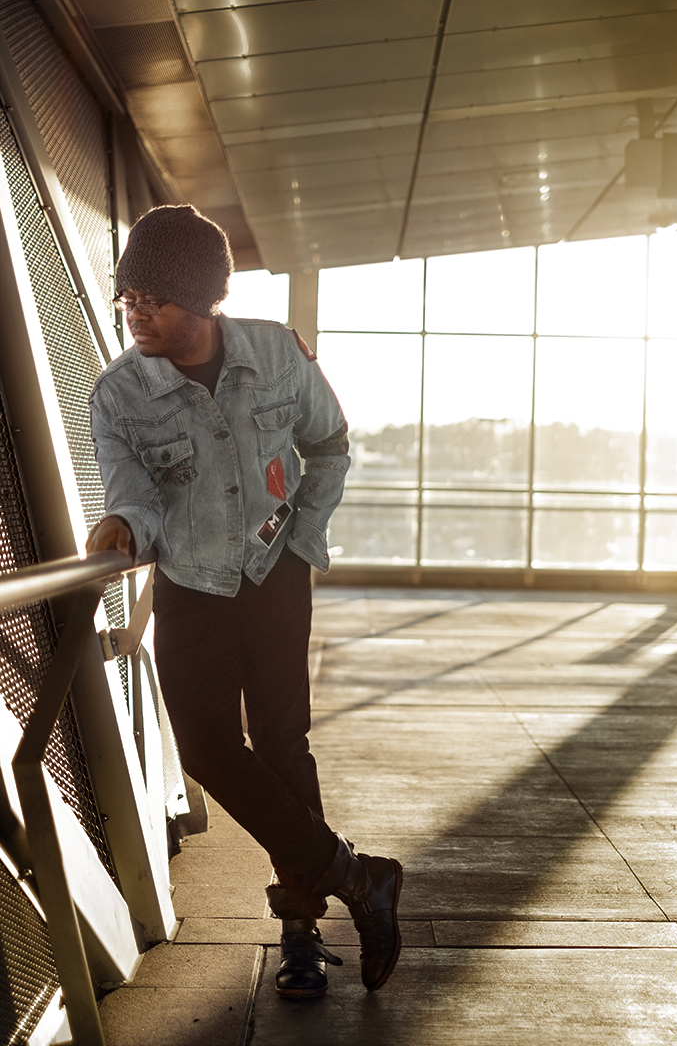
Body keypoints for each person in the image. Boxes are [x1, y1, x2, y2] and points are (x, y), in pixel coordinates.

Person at [86, 204, 402, 999]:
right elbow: (135, 495)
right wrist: (123, 524)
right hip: (191, 585)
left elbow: (328, 446)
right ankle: (356, 877)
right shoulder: (118, 394)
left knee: (283, 744)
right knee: (206, 748)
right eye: (127, 296)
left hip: (273, 576)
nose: (135, 312)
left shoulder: (275, 354)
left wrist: (302, 542)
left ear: (200, 297)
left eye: (151, 298)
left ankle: (300, 934)